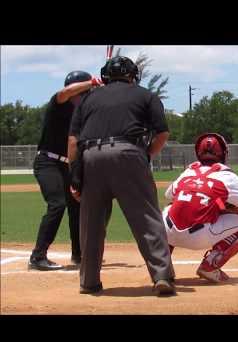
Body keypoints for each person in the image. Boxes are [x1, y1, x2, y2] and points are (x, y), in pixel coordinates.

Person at [68, 56, 175, 295]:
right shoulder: (145, 95)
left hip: (91, 157)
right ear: (132, 75)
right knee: (147, 218)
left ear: (105, 75)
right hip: (128, 152)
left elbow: (73, 141)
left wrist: (75, 176)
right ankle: (161, 277)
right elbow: (162, 133)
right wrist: (144, 155)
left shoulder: (88, 99)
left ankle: (89, 282)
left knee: (91, 223)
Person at [162, 133, 238, 283]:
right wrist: (229, 209)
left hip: (169, 235)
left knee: (170, 208)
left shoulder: (188, 171)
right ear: (223, 153)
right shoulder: (227, 176)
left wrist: (218, 204)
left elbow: (169, 195)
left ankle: (162, 267)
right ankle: (210, 266)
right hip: (199, 238)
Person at [28, 71, 103, 271]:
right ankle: (38, 256)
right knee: (57, 204)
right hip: (47, 162)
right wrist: (93, 82)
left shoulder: (82, 114)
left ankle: (79, 255)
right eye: (83, 91)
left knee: (77, 206)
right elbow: (65, 92)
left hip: (67, 165)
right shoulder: (58, 104)